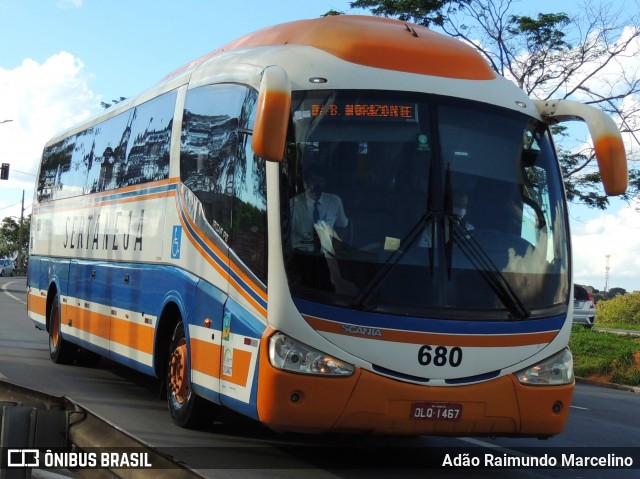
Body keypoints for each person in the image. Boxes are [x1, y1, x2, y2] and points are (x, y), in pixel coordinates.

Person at [290, 165, 349, 254]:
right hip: (300, 255)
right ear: (306, 182)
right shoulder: (293, 204)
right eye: (313, 180)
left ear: (325, 183)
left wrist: (333, 248)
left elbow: (343, 227)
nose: (316, 184)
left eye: (320, 181)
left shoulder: (334, 202)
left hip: (326, 257)